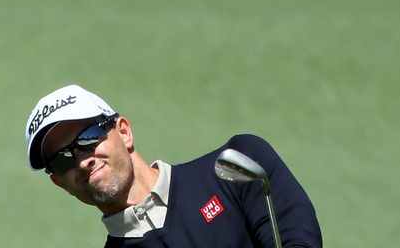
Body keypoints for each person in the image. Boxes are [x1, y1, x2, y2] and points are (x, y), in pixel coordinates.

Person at [24, 84, 322, 247]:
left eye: (87, 138)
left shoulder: (239, 165)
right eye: (62, 159)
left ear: (124, 132)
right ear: (60, 183)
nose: (82, 159)